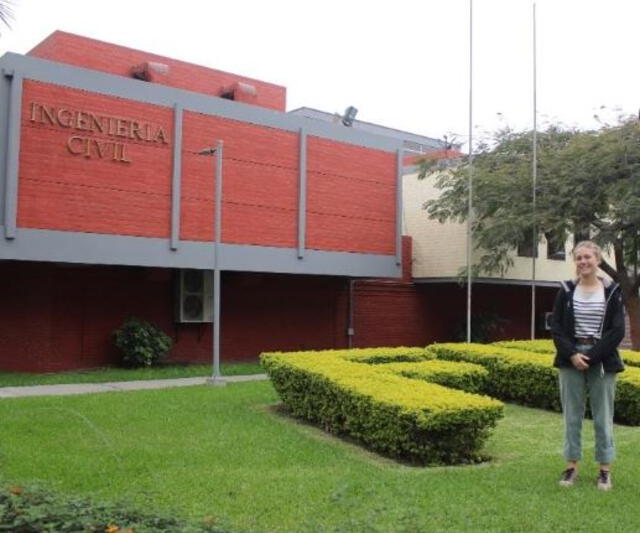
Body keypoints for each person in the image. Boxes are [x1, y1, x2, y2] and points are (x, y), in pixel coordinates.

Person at [551, 240, 625, 490]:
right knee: (572, 415)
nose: (583, 262)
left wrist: (591, 356)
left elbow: (617, 331)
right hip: (570, 358)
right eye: (579, 258)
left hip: (601, 358)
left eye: (588, 257)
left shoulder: (612, 291)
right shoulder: (566, 290)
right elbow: (557, 327)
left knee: (603, 416)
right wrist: (572, 354)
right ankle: (571, 467)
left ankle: (604, 470)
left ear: (598, 260)